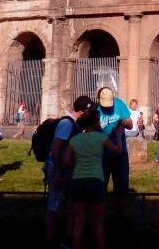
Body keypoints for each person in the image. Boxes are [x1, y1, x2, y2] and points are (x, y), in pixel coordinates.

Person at [61, 106, 122, 249]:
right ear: (95, 122)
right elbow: (118, 151)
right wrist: (118, 135)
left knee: (79, 221)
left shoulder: (75, 139)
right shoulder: (101, 138)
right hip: (95, 180)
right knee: (98, 222)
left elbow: (65, 161)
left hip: (77, 180)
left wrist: (76, 164)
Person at [45, 95, 92, 248]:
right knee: (54, 204)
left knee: (70, 204)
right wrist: (58, 172)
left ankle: (67, 237)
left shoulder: (73, 123)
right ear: (83, 111)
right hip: (58, 168)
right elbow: (56, 149)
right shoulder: (67, 124)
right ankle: (51, 239)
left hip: (66, 168)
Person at [95, 86, 133, 214]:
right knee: (100, 186)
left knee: (121, 186)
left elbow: (130, 123)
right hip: (101, 154)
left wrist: (124, 122)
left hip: (119, 153)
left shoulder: (119, 104)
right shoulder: (95, 109)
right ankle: (99, 215)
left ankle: (120, 214)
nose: (107, 107)